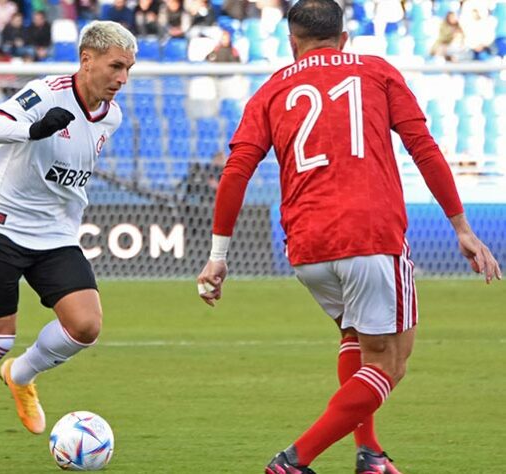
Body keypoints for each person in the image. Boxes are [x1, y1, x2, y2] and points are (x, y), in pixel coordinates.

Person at [195, 0, 502, 473]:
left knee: (354, 337)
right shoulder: (377, 71)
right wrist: (461, 226)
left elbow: (236, 170)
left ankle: (370, 455)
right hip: (370, 234)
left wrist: (218, 256)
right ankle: (292, 462)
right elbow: (422, 146)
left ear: (292, 43)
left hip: (305, 247)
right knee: (390, 363)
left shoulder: (271, 90)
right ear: (344, 38)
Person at [0, 20, 136, 467]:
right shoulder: (46, 91)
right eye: (115, 66)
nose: (122, 78)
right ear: (87, 59)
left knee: (85, 326)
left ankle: (21, 374)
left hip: (56, 233)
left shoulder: (113, 115)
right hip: (1, 222)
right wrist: (33, 130)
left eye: (128, 69)